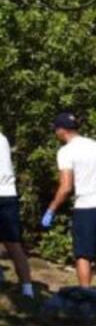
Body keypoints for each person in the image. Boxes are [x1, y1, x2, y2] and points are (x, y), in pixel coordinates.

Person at [42, 112, 96, 286]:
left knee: (82, 255)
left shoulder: (66, 152)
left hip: (87, 207)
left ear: (61, 130)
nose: (56, 133)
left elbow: (66, 187)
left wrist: (51, 209)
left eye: (56, 130)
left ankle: (85, 294)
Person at [0, 128, 35, 298]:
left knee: (13, 244)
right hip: (8, 194)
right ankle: (27, 288)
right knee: (13, 244)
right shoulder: (3, 138)